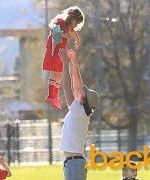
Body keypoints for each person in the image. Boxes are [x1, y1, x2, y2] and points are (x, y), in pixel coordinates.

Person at [59, 48, 100, 180]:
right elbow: (77, 85)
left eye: (84, 94)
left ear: (84, 100)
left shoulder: (79, 112)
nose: (81, 91)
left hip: (74, 164)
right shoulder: (82, 111)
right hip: (74, 163)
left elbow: (67, 86)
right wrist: (74, 63)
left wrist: (65, 64)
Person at [43, 6, 85, 110]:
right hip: (54, 49)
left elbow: (71, 32)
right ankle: (52, 96)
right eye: (75, 23)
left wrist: (77, 39)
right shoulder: (60, 21)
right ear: (71, 17)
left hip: (59, 49)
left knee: (59, 73)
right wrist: (63, 35)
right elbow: (54, 32)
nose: (75, 26)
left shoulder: (68, 26)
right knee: (55, 71)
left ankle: (53, 96)